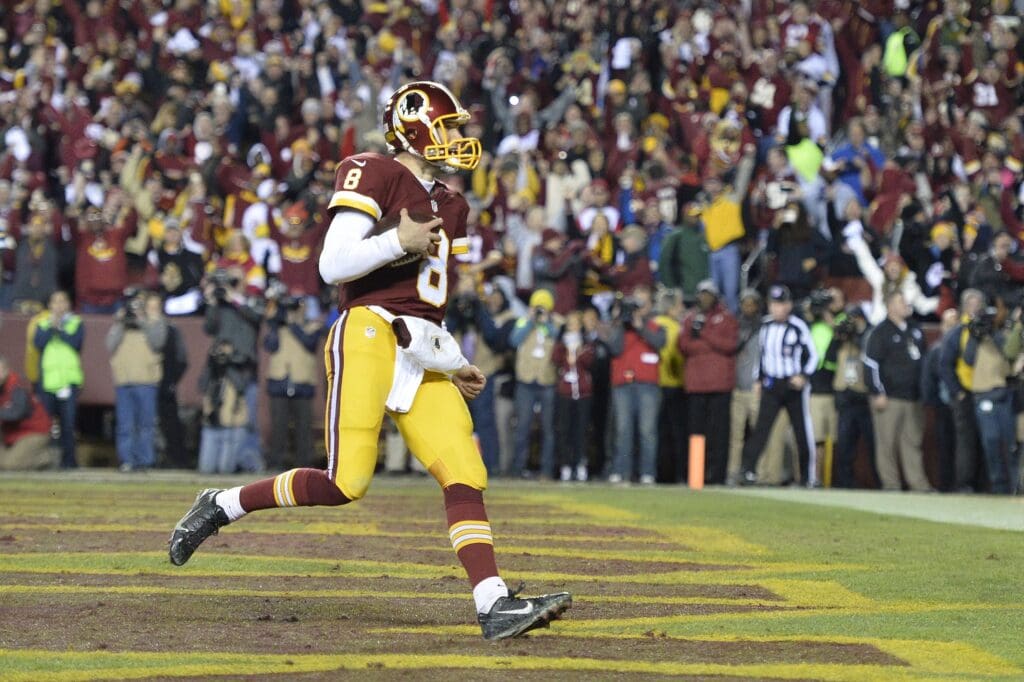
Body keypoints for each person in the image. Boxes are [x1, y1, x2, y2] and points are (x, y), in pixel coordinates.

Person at [168, 81, 571, 641]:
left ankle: (493, 604)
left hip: (421, 345)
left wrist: (452, 361)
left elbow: (427, 303)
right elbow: (333, 265)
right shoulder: (373, 170)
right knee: (346, 482)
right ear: (415, 125)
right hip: (367, 330)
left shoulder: (454, 205)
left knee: (465, 470)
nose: (458, 137)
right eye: (449, 125)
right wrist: (395, 241)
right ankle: (223, 503)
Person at [740, 285, 818, 486]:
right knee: (761, 431)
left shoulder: (798, 326)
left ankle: (808, 477)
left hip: (793, 386)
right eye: (774, 304)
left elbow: (813, 356)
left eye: (782, 304)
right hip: (771, 385)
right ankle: (747, 471)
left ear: (789, 305)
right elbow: (762, 357)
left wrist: (803, 376)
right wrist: (758, 379)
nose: (778, 309)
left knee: (802, 431)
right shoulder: (765, 326)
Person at [863, 291, 933, 492]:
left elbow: (924, 363)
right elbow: (871, 365)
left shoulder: (915, 329)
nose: (906, 304)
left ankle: (918, 483)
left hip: (913, 397)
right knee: (887, 444)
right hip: (889, 397)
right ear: (889, 306)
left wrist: (924, 391)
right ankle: (891, 484)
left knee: (912, 442)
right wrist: (878, 392)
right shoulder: (880, 332)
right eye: (901, 301)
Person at [678, 280, 738, 485]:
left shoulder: (727, 318)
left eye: (708, 294)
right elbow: (684, 346)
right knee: (696, 433)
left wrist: (703, 334)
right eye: (701, 294)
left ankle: (717, 476)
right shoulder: (690, 318)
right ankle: (696, 476)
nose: (704, 298)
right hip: (696, 385)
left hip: (720, 385)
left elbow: (730, 345)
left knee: (719, 434)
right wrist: (710, 346)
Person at [961, 299, 1022, 494]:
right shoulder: (975, 336)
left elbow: (1008, 353)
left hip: (1004, 395)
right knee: (992, 445)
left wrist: (992, 333)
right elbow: (968, 360)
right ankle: (999, 488)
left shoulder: (1006, 333)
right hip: (983, 396)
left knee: (1011, 446)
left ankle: (1016, 488)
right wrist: (975, 335)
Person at [607, 285, 666, 484]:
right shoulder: (620, 326)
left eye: (641, 303)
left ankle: (647, 472)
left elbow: (659, 342)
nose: (637, 308)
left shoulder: (655, 325)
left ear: (649, 305)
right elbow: (614, 348)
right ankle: (621, 470)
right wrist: (618, 321)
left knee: (647, 430)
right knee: (623, 429)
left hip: (647, 383)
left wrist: (640, 325)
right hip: (622, 383)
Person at [107, 289, 168, 472]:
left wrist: (143, 322)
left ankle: (145, 460)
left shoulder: (156, 323)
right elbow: (109, 345)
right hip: (124, 381)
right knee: (125, 424)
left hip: (146, 381)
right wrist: (120, 322)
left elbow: (158, 342)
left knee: (145, 425)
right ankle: (127, 460)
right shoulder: (122, 324)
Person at [263, 295, 324, 470]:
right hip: (279, 382)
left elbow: (309, 343)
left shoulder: (312, 326)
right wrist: (275, 320)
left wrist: (293, 324)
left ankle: (304, 465)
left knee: (303, 429)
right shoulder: (278, 327)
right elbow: (270, 345)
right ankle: (275, 464)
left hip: (303, 383)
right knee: (279, 428)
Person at [508, 289, 559, 479]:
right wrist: (530, 321)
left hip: (547, 380)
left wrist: (545, 323)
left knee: (548, 429)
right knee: (522, 426)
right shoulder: (523, 321)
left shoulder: (555, 323)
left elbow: (557, 337)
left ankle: (546, 469)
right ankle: (518, 468)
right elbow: (514, 340)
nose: (539, 311)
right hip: (526, 381)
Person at [938, 289, 986, 492]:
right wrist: (957, 391)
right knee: (965, 442)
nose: (974, 308)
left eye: (978, 304)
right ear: (964, 307)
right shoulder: (957, 332)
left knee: (984, 440)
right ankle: (964, 483)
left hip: (984, 391)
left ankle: (983, 483)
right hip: (965, 393)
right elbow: (945, 365)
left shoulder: (987, 329)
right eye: (971, 304)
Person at [33, 290, 84, 469]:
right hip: (47, 382)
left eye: (63, 301)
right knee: (46, 425)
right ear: (50, 306)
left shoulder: (76, 323)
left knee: (68, 425)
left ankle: (69, 462)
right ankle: (44, 461)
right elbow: (38, 343)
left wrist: (59, 328)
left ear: (68, 304)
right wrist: (51, 327)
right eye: (55, 302)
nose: (59, 306)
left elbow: (75, 342)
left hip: (68, 381)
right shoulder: (41, 323)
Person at [829, 305, 875, 488]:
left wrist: (856, 335)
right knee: (844, 445)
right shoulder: (842, 339)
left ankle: (879, 481)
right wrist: (837, 337)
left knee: (873, 444)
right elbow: (829, 359)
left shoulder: (869, 334)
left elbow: (867, 351)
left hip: (864, 396)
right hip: (845, 396)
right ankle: (845, 482)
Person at [551, 310, 596, 482]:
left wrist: (578, 352)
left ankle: (580, 464)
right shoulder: (561, 345)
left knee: (581, 431)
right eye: (570, 325)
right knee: (564, 430)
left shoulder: (586, 344)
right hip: (565, 392)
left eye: (576, 324)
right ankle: (565, 465)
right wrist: (565, 350)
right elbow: (555, 359)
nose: (573, 328)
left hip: (583, 393)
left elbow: (589, 362)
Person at [0, 355, 55, 470]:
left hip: (33, 432)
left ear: (5, 369)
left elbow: (18, 412)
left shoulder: (17, 386)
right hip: (12, 433)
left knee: (10, 465)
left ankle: (44, 457)